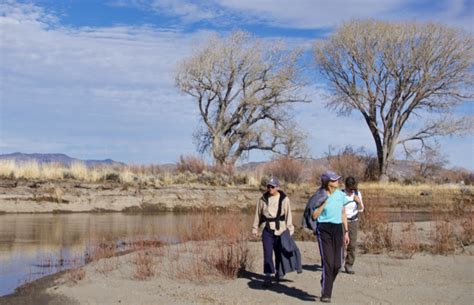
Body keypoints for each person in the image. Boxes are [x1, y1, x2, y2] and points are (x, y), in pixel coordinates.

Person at [312, 171, 350, 303]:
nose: (337, 182)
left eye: (338, 179)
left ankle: (325, 280)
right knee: (328, 263)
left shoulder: (341, 195)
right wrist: (324, 203)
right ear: (328, 183)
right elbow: (314, 216)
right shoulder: (319, 195)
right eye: (334, 180)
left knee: (337, 264)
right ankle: (326, 293)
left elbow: (343, 213)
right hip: (324, 229)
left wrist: (346, 232)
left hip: (338, 228)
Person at [252, 176, 294, 287]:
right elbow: (257, 214)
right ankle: (268, 275)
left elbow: (288, 215)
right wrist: (255, 228)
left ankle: (279, 272)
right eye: (268, 186)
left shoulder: (284, 199)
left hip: (281, 230)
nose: (270, 189)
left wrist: (290, 230)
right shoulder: (262, 199)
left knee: (279, 253)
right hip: (267, 230)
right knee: (267, 253)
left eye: (272, 187)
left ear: (277, 187)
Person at [342, 176, 365, 275]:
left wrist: (358, 201)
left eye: (353, 188)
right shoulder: (341, 194)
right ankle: (338, 263)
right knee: (341, 244)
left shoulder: (357, 194)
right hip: (342, 221)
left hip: (353, 221)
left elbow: (361, 208)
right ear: (346, 186)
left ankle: (349, 265)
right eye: (350, 189)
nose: (352, 190)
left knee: (352, 244)